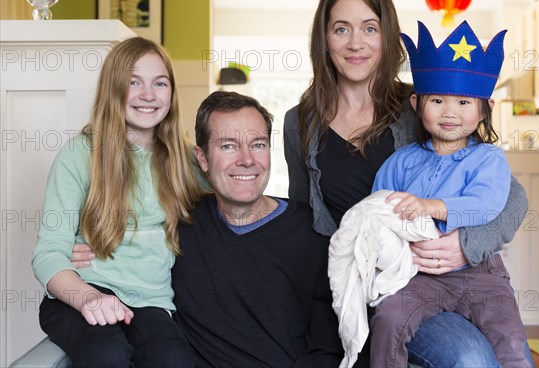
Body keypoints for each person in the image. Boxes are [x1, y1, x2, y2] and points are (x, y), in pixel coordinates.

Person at [283, 0, 530, 367]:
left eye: (370, 28)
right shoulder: (300, 121)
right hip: (357, 279)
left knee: (474, 358)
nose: (355, 43)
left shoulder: (424, 103)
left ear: (387, 36)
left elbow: (511, 195)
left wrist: (465, 246)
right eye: (340, 29)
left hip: (428, 275)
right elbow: (302, 214)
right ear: (323, 39)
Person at [73, 91, 344, 367]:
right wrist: (80, 253)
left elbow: (327, 351)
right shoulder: (176, 228)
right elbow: (128, 260)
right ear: (201, 159)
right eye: (228, 146)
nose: (247, 159)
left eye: (258, 144)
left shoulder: (314, 235)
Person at [365, 20, 530, 367]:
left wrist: (429, 206)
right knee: (390, 317)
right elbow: (377, 209)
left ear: (486, 108)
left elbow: (484, 207)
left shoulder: (488, 159)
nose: (450, 112)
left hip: (482, 274)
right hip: (420, 276)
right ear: (416, 103)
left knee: (511, 346)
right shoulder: (401, 162)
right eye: (437, 100)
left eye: (464, 102)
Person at [32, 37, 204, 367]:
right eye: (133, 82)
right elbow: (47, 252)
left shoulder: (184, 162)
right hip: (83, 291)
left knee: (174, 358)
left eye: (160, 83)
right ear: (113, 88)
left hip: (151, 301)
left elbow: (236, 192)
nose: (149, 94)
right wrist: (88, 298)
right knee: (106, 353)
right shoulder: (79, 155)